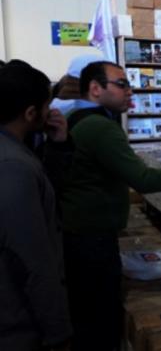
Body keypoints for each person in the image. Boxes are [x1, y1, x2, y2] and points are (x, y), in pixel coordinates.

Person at [59, 61, 161, 351]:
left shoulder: (79, 117)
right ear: (95, 89)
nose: (129, 91)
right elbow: (142, 179)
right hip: (91, 237)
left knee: (88, 316)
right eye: (121, 84)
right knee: (101, 320)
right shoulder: (100, 127)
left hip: (79, 232)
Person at [0, 62, 73, 350]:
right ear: (30, 113)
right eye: (46, 106)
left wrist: (58, 145)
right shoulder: (13, 166)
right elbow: (33, 260)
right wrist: (59, 333)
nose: (51, 113)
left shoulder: (18, 153)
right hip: (18, 326)